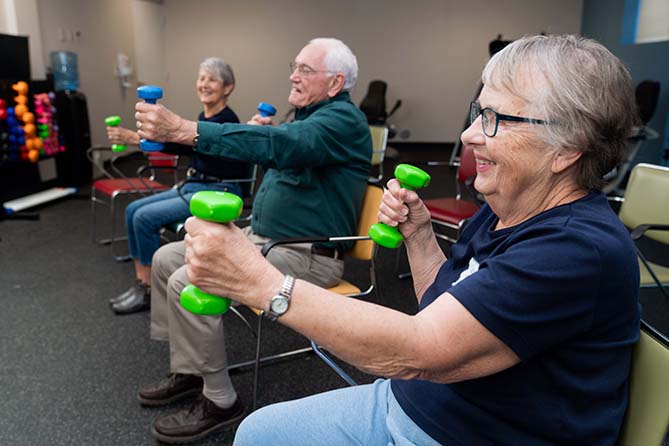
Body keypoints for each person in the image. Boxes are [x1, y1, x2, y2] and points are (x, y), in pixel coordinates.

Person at [182, 34, 641, 446]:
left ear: (567, 146)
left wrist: (261, 285)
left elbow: (424, 349)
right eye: (478, 113)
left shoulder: (577, 249)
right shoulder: (503, 210)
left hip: (468, 432)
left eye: (495, 119)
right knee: (257, 433)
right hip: (413, 401)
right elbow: (442, 305)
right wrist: (420, 236)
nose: (468, 135)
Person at [134, 37, 371, 443]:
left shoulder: (343, 121)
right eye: (294, 66)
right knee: (167, 257)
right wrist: (258, 135)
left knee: (191, 278)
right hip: (264, 241)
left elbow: (286, 146)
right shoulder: (305, 119)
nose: (293, 76)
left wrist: (185, 130)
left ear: (335, 83)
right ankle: (191, 370)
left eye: (305, 70)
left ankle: (221, 400)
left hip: (307, 256)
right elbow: (282, 146)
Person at [107, 57, 250, 315]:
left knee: (143, 218)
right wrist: (140, 138)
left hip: (219, 191)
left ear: (227, 88)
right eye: (201, 78)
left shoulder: (227, 121)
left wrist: (135, 138)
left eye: (212, 79)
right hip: (195, 185)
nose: (204, 84)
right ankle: (142, 283)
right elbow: (183, 144)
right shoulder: (203, 117)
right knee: (132, 211)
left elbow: (190, 145)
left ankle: (150, 290)